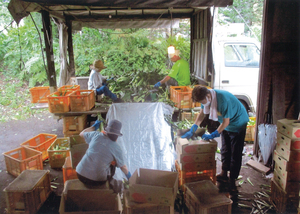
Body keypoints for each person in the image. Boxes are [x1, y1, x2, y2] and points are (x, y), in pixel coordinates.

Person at [181, 86, 249, 194]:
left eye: (201, 101)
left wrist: (215, 133)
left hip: (237, 123)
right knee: (225, 149)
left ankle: (232, 180)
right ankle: (224, 174)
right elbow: (202, 114)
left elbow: (226, 122)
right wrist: (193, 127)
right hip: (225, 125)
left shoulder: (223, 100)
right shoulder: (207, 98)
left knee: (235, 153)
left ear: (208, 96)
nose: (202, 103)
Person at [76, 119, 131, 187]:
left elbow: (81, 134)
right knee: (113, 164)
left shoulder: (96, 135)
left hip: (80, 174)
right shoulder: (117, 148)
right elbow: (123, 167)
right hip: (96, 181)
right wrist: (130, 177)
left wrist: (94, 127)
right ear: (117, 135)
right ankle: (108, 184)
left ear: (106, 131)